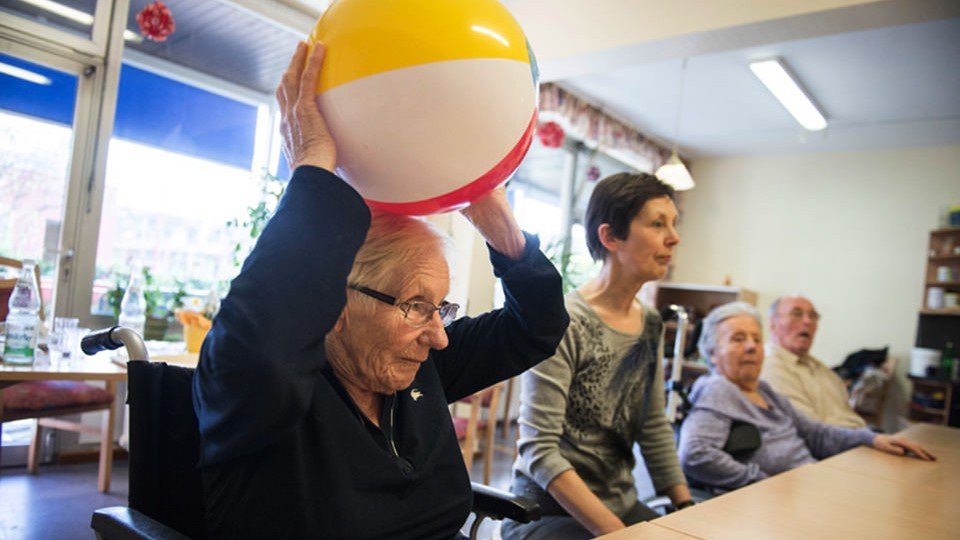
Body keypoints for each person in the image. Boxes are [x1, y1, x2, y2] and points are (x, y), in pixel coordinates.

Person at [192, 42, 569, 539]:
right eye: (416, 306)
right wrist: (312, 171)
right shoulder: (259, 396)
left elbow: (536, 328)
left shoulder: (421, 369)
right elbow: (264, 350)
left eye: (440, 309)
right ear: (338, 302)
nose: (439, 337)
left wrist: (497, 222)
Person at [503, 172, 693, 540]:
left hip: (618, 507)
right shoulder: (563, 321)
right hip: (546, 514)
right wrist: (618, 533)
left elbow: (653, 425)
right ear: (610, 237)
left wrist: (687, 508)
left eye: (673, 223)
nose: (674, 237)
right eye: (657, 224)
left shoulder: (651, 323)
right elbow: (538, 449)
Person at [678, 302, 934, 491]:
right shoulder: (719, 388)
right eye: (738, 339)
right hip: (778, 500)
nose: (751, 346)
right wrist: (760, 482)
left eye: (756, 339)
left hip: (810, 483)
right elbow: (695, 453)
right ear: (712, 353)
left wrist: (873, 438)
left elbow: (816, 433)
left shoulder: (764, 391)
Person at [761, 295, 867, 428]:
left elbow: (848, 415)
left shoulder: (821, 369)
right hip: (837, 446)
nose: (807, 321)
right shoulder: (770, 366)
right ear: (773, 324)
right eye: (796, 314)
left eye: (813, 316)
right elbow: (811, 431)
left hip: (860, 438)